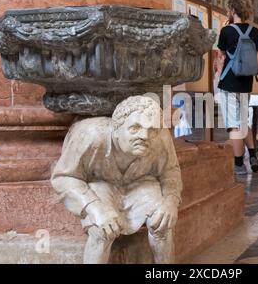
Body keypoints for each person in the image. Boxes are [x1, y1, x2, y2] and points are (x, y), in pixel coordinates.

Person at [51, 96, 182, 264]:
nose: (144, 135)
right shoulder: (90, 135)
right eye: (135, 128)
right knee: (101, 231)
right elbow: (64, 177)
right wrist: (95, 208)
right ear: (116, 127)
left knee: (162, 223)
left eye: (151, 129)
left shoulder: (159, 137)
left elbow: (170, 171)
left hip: (140, 184)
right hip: (101, 183)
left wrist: (171, 201)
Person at [216, 0, 258, 175]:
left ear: (232, 10)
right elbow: (255, 53)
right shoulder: (254, 31)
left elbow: (221, 54)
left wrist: (225, 27)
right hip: (246, 82)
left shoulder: (227, 31)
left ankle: (238, 165)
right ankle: (253, 156)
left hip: (229, 81)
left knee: (233, 125)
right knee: (244, 121)